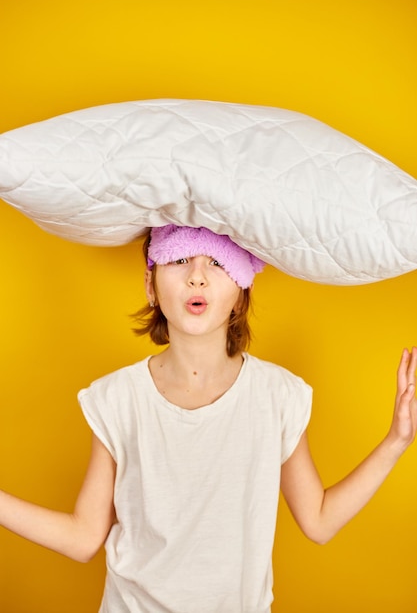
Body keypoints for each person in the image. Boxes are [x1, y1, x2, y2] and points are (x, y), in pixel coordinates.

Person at [0, 224, 416, 613]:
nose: (196, 277)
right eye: (180, 260)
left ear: (241, 289)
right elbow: (83, 536)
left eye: (217, 263)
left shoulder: (277, 396)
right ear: (150, 284)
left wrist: (396, 440)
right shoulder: (116, 398)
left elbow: (319, 521)